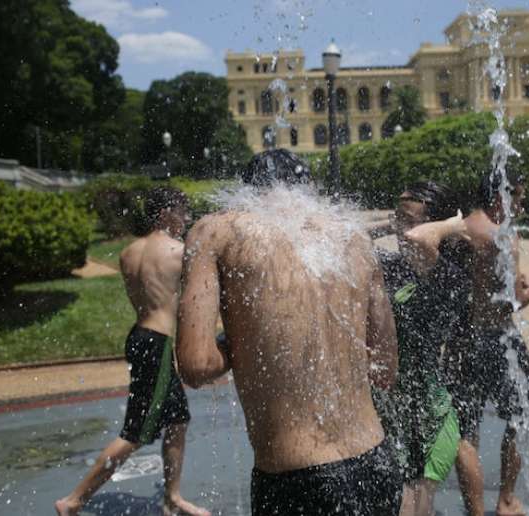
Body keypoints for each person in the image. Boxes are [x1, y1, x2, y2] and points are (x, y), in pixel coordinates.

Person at [176, 149, 402, 516]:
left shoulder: (216, 231)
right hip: (377, 463)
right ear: (306, 188)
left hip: (296, 478)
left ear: (246, 191)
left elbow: (196, 364)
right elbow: (385, 370)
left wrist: (247, 340)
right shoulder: (352, 234)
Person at [55, 187, 209, 516]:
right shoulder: (178, 252)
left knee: (179, 419)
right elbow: (191, 300)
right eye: (182, 212)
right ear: (166, 213)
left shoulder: (128, 252)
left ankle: (172, 498)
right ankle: (74, 500)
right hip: (157, 343)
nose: (185, 219)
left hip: (139, 336)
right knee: (135, 432)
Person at [436, 170, 529, 516]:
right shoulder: (504, 237)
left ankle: (475, 512)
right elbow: (508, 301)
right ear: (500, 198)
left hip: (462, 341)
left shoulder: (460, 229)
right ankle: (506, 500)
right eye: (518, 197)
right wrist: (528, 294)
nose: (521, 206)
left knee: (466, 430)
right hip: (499, 339)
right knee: (517, 420)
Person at [374, 181, 471, 516]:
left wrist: (450, 226)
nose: (402, 229)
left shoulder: (450, 276)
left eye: (408, 220)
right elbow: (345, 243)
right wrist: (393, 223)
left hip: (427, 416)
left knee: (410, 505)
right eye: (397, 219)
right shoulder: (392, 266)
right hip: (390, 409)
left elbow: (418, 239)